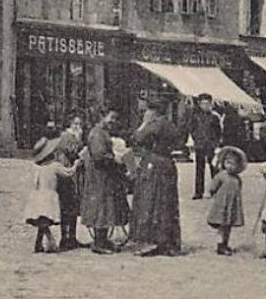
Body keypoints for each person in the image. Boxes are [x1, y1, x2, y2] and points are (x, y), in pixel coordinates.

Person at [129, 102, 182, 257]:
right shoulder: (170, 125)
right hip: (168, 164)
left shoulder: (154, 126)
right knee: (167, 203)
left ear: (153, 111)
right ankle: (167, 241)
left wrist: (144, 124)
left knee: (150, 201)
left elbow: (137, 138)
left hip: (154, 165)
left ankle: (151, 241)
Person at [81, 108, 130, 253]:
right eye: (111, 118)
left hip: (105, 175)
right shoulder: (97, 133)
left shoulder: (103, 132)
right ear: (102, 116)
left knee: (107, 206)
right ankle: (98, 243)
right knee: (100, 206)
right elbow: (98, 155)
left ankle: (104, 240)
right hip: (99, 175)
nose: (113, 122)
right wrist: (115, 159)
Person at [23, 137, 74, 254]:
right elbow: (68, 173)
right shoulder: (55, 166)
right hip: (49, 196)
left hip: (37, 195)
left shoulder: (37, 168)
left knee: (41, 219)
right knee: (45, 220)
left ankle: (38, 243)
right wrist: (76, 164)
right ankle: (51, 241)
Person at [205, 145, 247, 255]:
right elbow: (213, 187)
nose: (230, 166)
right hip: (221, 204)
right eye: (227, 163)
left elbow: (238, 190)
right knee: (221, 225)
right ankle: (220, 245)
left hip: (232, 204)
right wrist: (213, 194)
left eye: (233, 164)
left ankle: (225, 243)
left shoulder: (237, 178)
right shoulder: (221, 176)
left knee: (228, 226)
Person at [55, 116, 85, 251]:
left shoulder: (72, 136)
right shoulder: (66, 136)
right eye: (75, 123)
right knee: (66, 206)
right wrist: (79, 140)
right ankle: (65, 238)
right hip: (65, 173)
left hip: (72, 174)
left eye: (79, 124)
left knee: (72, 206)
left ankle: (72, 237)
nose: (77, 126)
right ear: (69, 124)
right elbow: (73, 153)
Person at [189, 92, 222, 199]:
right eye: (202, 104)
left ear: (211, 104)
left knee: (214, 168)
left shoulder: (214, 117)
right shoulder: (195, 117)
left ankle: (215, 190)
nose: (205, 106)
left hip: (211, 145)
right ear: (199, 104)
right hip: (200, 145)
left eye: (207, 103)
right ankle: (198, 192)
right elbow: (192, 129)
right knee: (199, 169)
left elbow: (218, 131)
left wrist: (216, 143)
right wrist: (196, 139)